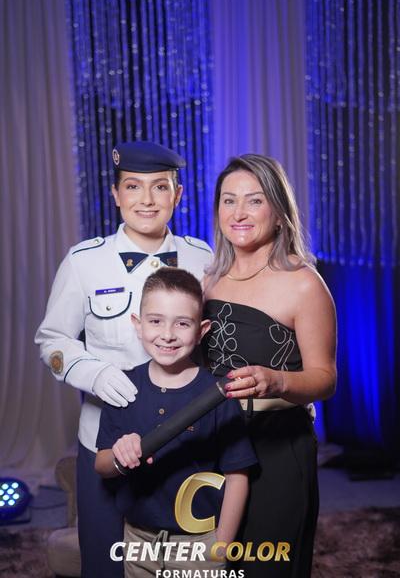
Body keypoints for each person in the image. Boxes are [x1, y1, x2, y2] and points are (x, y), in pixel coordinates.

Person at [35, 142, 213, 578]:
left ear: (178, 195)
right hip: (105, 438)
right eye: (133, 187)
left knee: (188, 561)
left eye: (160, 187)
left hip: (183, 439)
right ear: (116, 194)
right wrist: (92, 373)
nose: (146, 200)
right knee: (104, 563)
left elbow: (213, 343)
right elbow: (52, 340)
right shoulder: (84, 262)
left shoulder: (203, 258)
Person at [202, 154, 337, 578]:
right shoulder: (208, 280)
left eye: (254, 200)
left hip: (276, 450)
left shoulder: (303, 283)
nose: (238, 213)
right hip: (215, 446)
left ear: (279, 213)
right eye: (228, 200)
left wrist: (276, 380)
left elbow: (325, 379)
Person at [95, 267, 258, 578]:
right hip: (138, 539)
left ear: (201, 330)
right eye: (155, 321)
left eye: (182, 323)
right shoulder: (123, 388)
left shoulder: (218, 394)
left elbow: (237, 475)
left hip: (199, 543)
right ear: (138, 325)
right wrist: (119, 455)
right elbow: (101, 464)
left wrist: (221, 546)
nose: (167, 334)